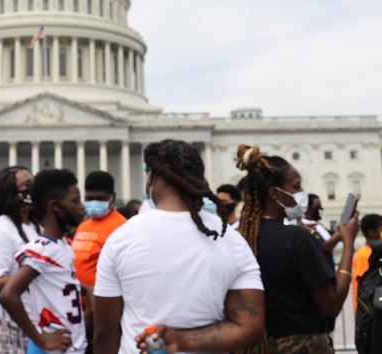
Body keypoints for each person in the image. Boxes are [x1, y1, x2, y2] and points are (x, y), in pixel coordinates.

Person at [93, 139, 265, 354]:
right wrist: (182, 341)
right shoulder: (230, 239)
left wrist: (178, 340)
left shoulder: (121, 239)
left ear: (151, 178)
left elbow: (105, 333)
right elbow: (250, 327)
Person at [236, 144, 359, 353]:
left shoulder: (240, 239)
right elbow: (332, 304)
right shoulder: (296, 239)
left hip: (258, 345)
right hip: (302, 345)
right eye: (296, 187)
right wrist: (348, 243)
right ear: (275, 194)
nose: (302, 193)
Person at [0, 169, 88, 354]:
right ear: (55, 206)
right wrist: (41, 340)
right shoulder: (41, 249)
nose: (82, 206)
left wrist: (88, 290)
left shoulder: (60, 245)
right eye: (75, 200)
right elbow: (8, 295)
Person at [0, 166, 40, 350]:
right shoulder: (0, 229)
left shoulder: (35, 226)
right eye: (28, 184)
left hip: (34, 322)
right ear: (12, 194)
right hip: (9, 327)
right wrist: (34, 274)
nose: (34, 188)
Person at [73, 171, 127, 289]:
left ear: (113, 198)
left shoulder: (122, 227)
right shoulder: (83, 225)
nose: (93, 203)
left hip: (101, 300)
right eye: (89, 198)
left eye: (100, 198)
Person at [353, 214, 382, 310]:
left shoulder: (377, 250)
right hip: (367, 309)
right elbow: (365, 284)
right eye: (381, 229)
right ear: (371, 232)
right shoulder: (364, 254)